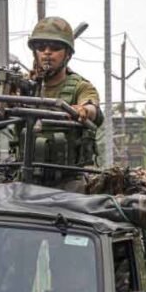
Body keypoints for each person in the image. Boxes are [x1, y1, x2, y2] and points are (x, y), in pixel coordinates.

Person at [26, 17, 103, 185]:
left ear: (67, 54)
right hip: (25, 177)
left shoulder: (81, 87)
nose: (47, 52)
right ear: (34, 52)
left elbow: (92, 108)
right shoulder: (24, 85)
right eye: (41, 47)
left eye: (54, 48)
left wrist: (83, 110)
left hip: (69, 181)